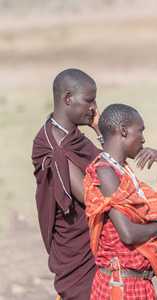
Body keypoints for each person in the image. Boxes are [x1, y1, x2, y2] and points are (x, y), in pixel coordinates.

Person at [83, 104, 157, 300]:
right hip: (119, 287)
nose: (143, 139)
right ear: (123, 131)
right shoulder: (105, 171)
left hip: (138, 284)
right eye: (140, 131)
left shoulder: (123, 172)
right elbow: (129, 234)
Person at [32, 68, 103, 299]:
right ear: (68, 98)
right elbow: (94, 197)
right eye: (89, 100)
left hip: (92, 245)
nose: (94, 107)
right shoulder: (55, 148)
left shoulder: (70, 134)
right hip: (78, 254)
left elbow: (109, 171)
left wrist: (99, 131)